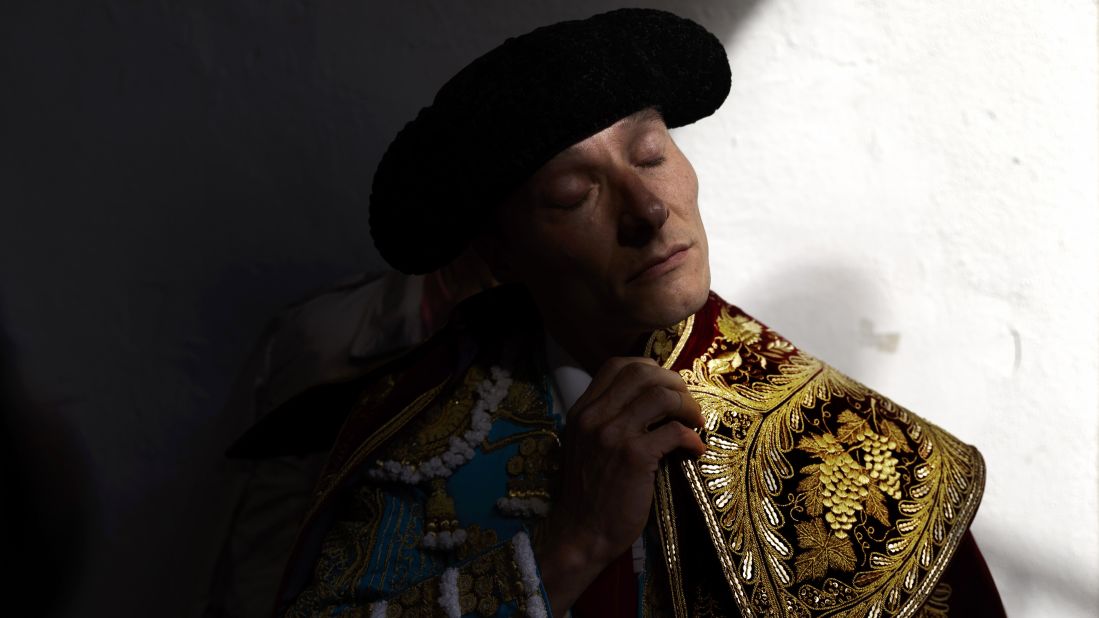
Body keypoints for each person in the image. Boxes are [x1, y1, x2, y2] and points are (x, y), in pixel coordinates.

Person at [233, 8, 1005, 617]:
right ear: (499, 256)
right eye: (573, 196)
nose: (647, 210)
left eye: (649, 155)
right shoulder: (402, 438)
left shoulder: (866, 453)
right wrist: (571, 548)